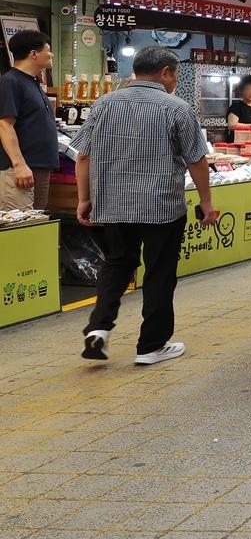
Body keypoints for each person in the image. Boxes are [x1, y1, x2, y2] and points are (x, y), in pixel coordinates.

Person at [73, 46, 219, 366]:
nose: (175, 81)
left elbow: (83, 155)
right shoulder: (176, 108)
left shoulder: (103, 104)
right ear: (165, 72)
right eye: (175, 74)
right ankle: (151, 345)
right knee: (159, 273)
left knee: (116, 265)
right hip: (161, 208)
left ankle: (98, 330)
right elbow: (196, 159)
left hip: (111, 205)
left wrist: (85, 199)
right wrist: (207, 203)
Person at [0, 30, 58, 210]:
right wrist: (19, 165)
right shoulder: (11, 81)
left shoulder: (32, 82)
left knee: (36, 227)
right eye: (48, 49)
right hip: (20, 170)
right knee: (19, 229)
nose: (51, 54)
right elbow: (4, 125)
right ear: (34, 54)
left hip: (38, 168)